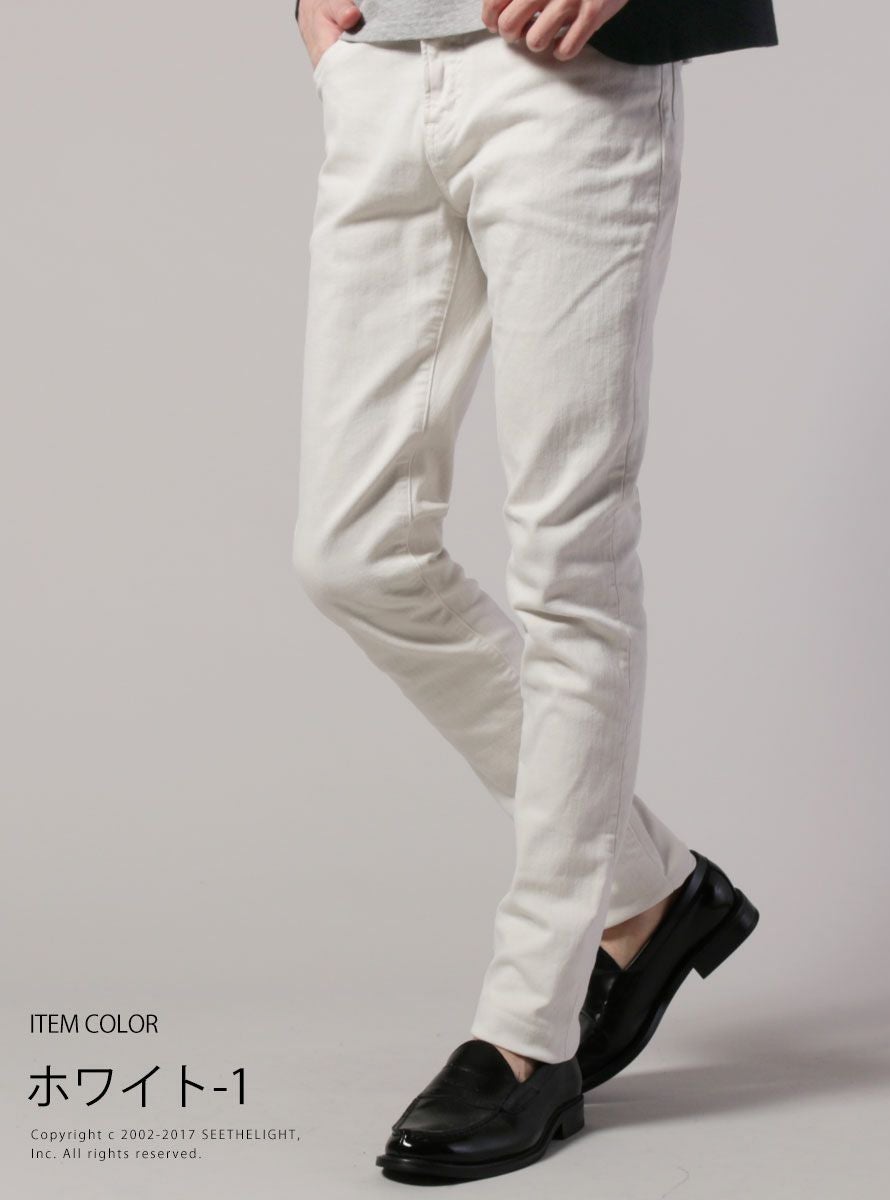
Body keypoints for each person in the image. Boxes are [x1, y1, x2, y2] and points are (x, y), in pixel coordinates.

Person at [292, 0, 778, 1182]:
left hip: (567, 76)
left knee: (569, 561)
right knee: (351, 552)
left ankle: (526, 1034)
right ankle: (651, 891)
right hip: (382, 71)